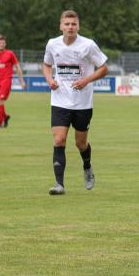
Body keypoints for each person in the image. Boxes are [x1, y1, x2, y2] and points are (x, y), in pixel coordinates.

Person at [42, 10, 109, 195]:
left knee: (81, 143)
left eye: (73, 24)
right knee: (59, 139)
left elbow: (104, 68)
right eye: (67, 24)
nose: (70, 27)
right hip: (60, 100)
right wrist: (49, 79)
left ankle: (87, 166)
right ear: (61, 26)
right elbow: (47, 65)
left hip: (83, 103)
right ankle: (59, 184)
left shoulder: (88, 45)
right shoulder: (52, 44)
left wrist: (86, 80)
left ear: (78, 26)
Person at [0, 35, 26, 128]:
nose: (1, 44)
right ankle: (5, 117)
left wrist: (22, 81)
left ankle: (0, 123)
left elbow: (17, 67)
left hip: (6, 80)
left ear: (5, 44)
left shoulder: (10, 54)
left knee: (0, 101)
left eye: (3, 43)